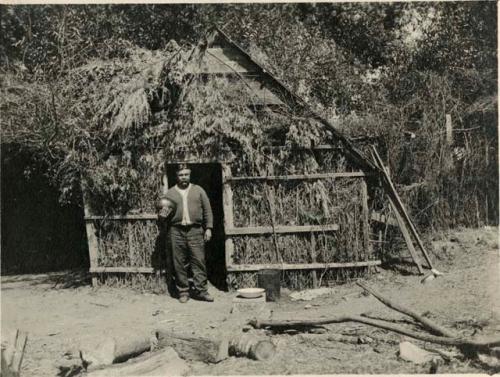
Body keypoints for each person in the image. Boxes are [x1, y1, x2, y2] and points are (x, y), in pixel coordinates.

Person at [162, 163, 214, 303]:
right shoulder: (170, 193)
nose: (184, 177)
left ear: (190, 175)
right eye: (181, 175)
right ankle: (183, 292)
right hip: (176, 230)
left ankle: (201, 291)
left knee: (199, 261)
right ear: (176, 176)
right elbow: (163, 215)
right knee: (178, 262)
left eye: (186, 174)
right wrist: (162, 214)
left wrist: (208, 228)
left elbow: (208, 210)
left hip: (195, 230)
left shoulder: (199, 190)